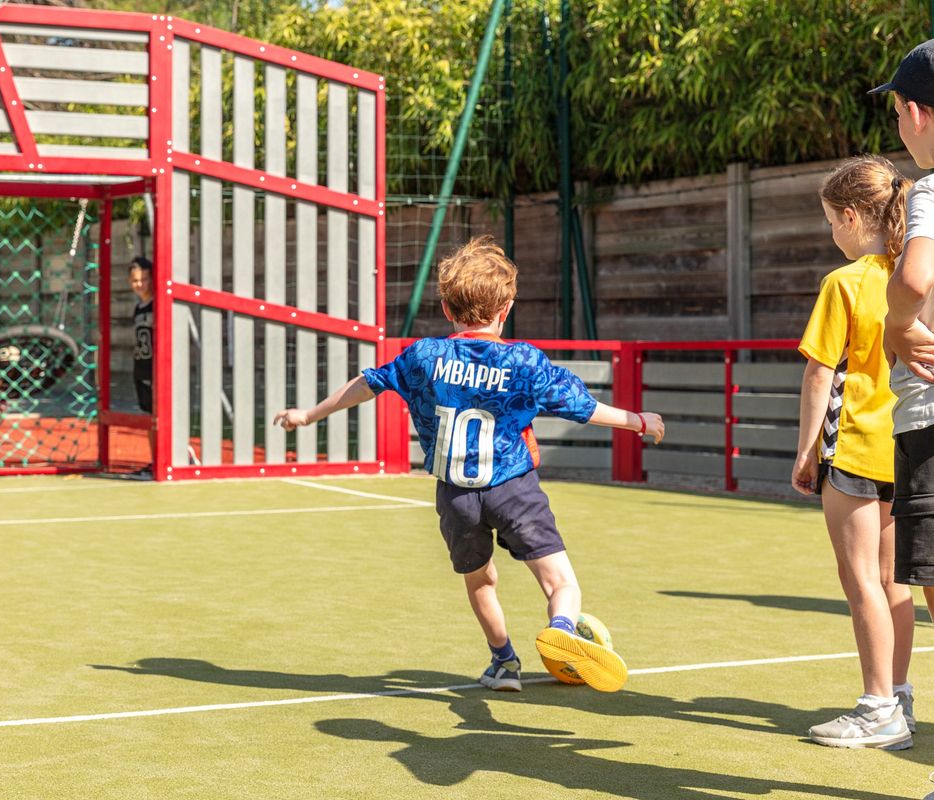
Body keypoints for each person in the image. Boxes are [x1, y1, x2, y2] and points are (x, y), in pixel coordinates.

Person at [273, 237, 665, 693]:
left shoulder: (424, 356)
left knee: (481, 581)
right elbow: (579, 406)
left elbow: (369, 383)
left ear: (445, 307)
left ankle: (504, 663)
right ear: (507, 308)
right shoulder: (523, 361)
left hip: (457, 496)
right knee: (560, 582)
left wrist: (309, 414)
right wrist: (637, 421)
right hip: (514, 487)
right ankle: (561, 629)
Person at [792, 155, 914, 751]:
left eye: (830, 222)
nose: (830, 234)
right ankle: (900, 695)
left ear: (848, 216)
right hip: (911, 446)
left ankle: (877, 708)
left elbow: (820, 374)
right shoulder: (917, 271)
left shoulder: (844, 282)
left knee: (860, 578)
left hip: (857, 451)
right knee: (896, 582)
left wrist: (805, 450)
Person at [877, 39, 934, 747]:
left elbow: (916, 277)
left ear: (918, 112)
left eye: (895, 111)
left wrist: (895, 323)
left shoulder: (928, 189)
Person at [129, 256, 154, 414]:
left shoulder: (156, 304)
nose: (140, 284)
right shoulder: (138, 308)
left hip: (154, 367)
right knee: (146, 413)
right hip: (141, 366)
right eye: (135, 280)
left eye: (144, 279)